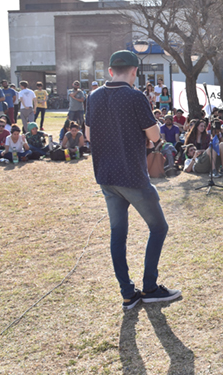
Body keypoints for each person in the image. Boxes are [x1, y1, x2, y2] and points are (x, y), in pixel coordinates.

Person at [85, 50, 181, 310]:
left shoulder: (92, 96)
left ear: (110, 71)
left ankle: (128, 294)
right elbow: (154, 136)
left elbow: (89, 134)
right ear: (135, 71)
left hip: (106, 176)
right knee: (158, 228)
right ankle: (150, 287)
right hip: (133, 177)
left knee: (118, 233)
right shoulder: (135, 96)